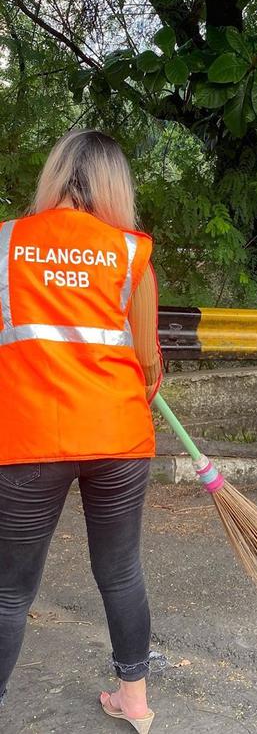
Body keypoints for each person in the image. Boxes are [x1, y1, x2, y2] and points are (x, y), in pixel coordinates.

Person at [0, 130, 162, 734]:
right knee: (120, 570)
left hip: (27, 435)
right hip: (118, 435)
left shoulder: (7, 243)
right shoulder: (129, 252)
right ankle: (136, 702)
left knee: (9, 591)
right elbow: (147, 365)